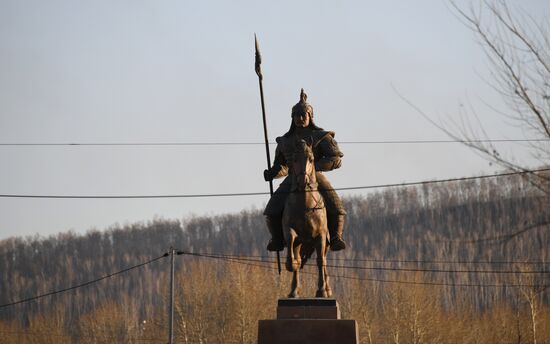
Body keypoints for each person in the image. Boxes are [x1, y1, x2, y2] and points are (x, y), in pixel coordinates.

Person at [263, 89, 346, 251]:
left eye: (303, 115)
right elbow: (283, 167)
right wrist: (273, 173)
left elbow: (336, 159)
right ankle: (278, 239)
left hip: (316, 177)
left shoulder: (321, 136)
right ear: (292, 118)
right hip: (293, 178)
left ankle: (336, 237)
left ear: (310, 117)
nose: (300, 119)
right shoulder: (285, 142)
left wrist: (313, 167)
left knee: (337, 207)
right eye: (296, 116)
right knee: (271, 210)